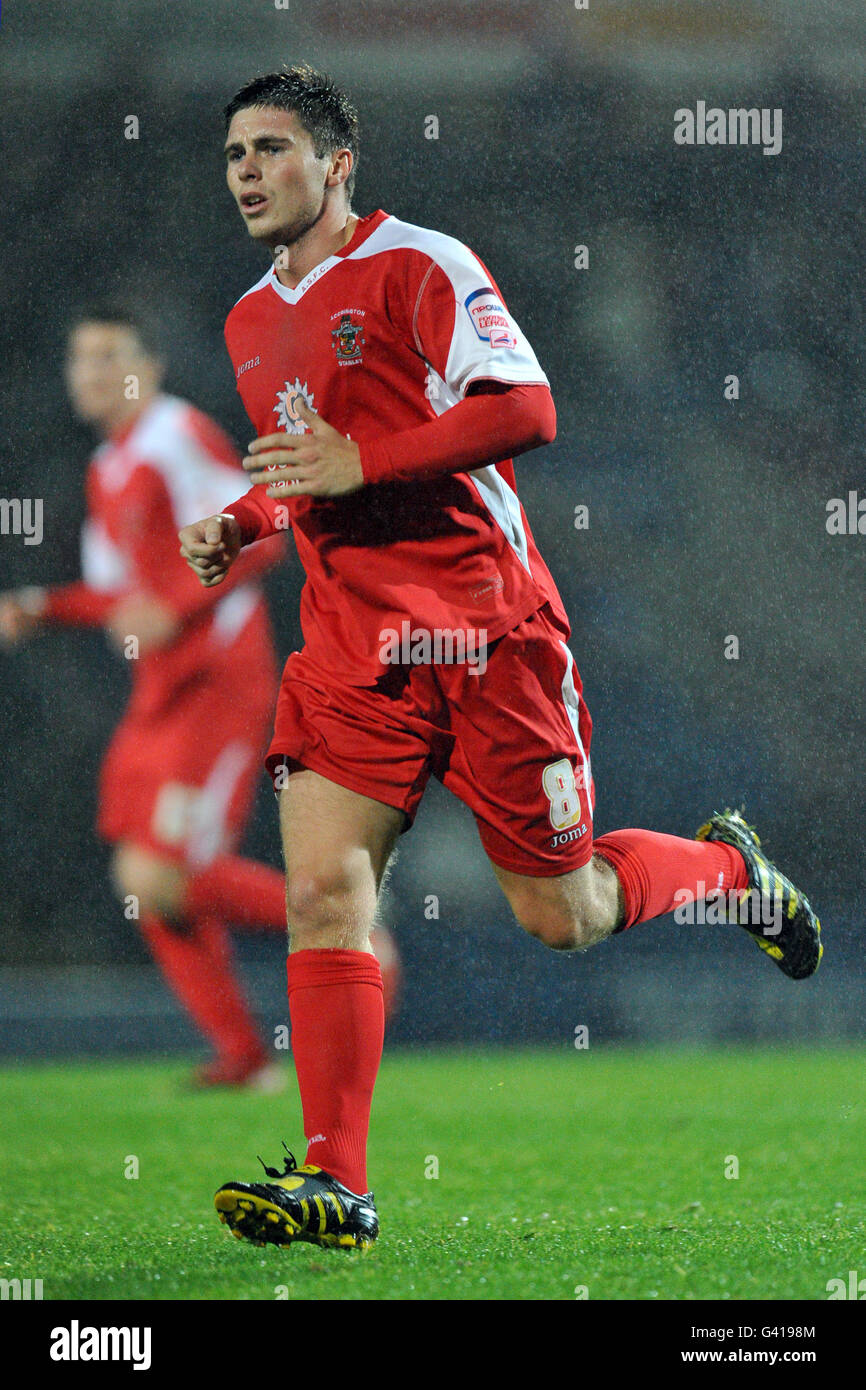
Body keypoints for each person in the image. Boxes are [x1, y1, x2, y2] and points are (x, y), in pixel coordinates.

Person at [178, 63, 822, 1249]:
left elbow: (526, 411)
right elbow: (299, 465)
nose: (249, 173)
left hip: (486, 638)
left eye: (272, 149)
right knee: (325, 896)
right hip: (348, 651)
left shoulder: (423, 263)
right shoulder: (244, 317)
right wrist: (248, 522)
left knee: (562, 914)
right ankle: (336, 1179)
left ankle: (728, 876)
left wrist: (360, 470)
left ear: (338, 163)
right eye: (234, 155)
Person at [1, 307, 291, 1088]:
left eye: (111, 356)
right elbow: (116, 594)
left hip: (217, 681)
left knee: (164, 873)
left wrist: (176, 605)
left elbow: (266, 529)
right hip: (160, 694)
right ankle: (244, 1057)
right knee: (143, 877)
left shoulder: (175, 436)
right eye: (79, 358)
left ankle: (338, 920)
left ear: (151, 367)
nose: (91, 373)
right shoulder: (109, 466)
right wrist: (37, 607)